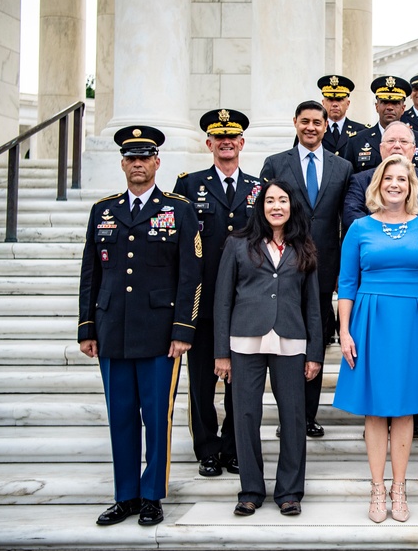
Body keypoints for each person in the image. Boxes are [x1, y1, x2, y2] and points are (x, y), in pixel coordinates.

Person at [78, 126, 201, 527]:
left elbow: (191, 275)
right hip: (113, 329)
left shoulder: (179, 209)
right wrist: (87, 327)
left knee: (156, 417)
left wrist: (184, 328)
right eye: (131, 158)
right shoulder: (104, 211)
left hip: (160, 334)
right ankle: (125, 494)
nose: (138, 164)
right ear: (122, 164)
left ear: (157, 163)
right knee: (122, 417)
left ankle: (151, 495)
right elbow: (90, 273)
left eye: (144, 157)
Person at [334, 155, 418, 523]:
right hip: (370, 319)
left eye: (402, 179)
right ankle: (376, 487)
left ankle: (399, 488)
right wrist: (345, 330)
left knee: (405, 406)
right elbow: (347, 283)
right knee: (374, 407)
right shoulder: (359, 228)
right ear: (378, 185)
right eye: (388, 179)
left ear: (411, 186)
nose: (395, 184)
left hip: (415, 323)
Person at [213, 180, 324, 517]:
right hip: (245, 339)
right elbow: (222, 300)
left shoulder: (303, 246)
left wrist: (315, 352)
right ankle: (250, 490)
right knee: (246, 415)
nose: (277, 206)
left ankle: (289, 491)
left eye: (283, 201)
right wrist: (221, 352)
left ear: (292, 207)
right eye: (270, 200)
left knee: (293, 416)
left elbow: (313, 305)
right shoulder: (237, 244)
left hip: (291, 339)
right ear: (260, 206)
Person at [173, 109, 260, 478]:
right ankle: (206, 449)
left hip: (245, 304)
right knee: (202, 384)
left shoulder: (259, 187)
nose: (226, 142)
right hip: (203, 304)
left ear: (242, 143)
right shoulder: (188, 186)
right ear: (208, 144)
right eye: (218, 137)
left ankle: (233, 447)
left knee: (240, 384)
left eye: (233, 137)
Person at [260, 100, 354, 439]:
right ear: (295, 123)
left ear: (326, 126)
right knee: (288, 343)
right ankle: (289, 418)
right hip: (284, 265)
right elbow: (262, 213)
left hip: (326, 267)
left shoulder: (342, 167)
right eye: (305, 121)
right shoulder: (275, 164)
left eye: (317, 122)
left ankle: (307, 417)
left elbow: (347, 219)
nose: (311, 127)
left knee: (315, 341)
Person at [342, 121, 418, 235]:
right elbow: (352, 215)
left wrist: (410, 237)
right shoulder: (361, 181)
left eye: (404, 141)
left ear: (414, 149)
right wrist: (384, 236)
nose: (397, 146)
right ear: (381, 148)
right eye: (391, 141)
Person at [344, 75, 418, 173]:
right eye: (384, 102)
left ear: (403, 108)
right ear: (377, 106)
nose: (390, 107)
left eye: (395, 103)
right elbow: (349, 180)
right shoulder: (357, 141)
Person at [319, 74, 365, 157]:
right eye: (330, 100)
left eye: (339, 100)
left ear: (347, 104)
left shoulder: (361, 131)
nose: (335, 104)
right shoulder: (314, 130)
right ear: (323, 103)